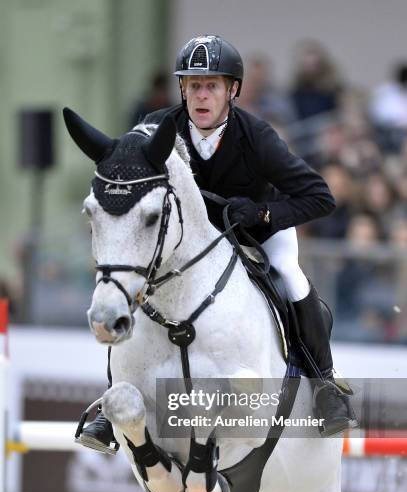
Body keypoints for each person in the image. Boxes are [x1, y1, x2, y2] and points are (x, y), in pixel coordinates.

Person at [80, 35, 357, 452]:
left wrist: (262, 213)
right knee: (133, 291)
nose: (201, 96)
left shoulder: (256, 136)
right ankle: (110, 404)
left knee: (292, 278)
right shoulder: (157, 127)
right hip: (189, 245)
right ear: (182, 91)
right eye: (193, 86)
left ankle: (324, 385)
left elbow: (320, 196)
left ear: (233, 90)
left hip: (257, 233)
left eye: (212, 86)